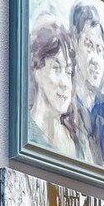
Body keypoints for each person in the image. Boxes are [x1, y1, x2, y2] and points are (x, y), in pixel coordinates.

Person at [28, 19, 81, 159]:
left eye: (68, 72)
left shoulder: (74, 144)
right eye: (56, 69)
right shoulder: (26, 133)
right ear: (37, 71)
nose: (65, 83)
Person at [70, 1, 104, 165]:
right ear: (74, 43)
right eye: (88, 45)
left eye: (99, 49)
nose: (95, 60)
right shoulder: (64, 103)